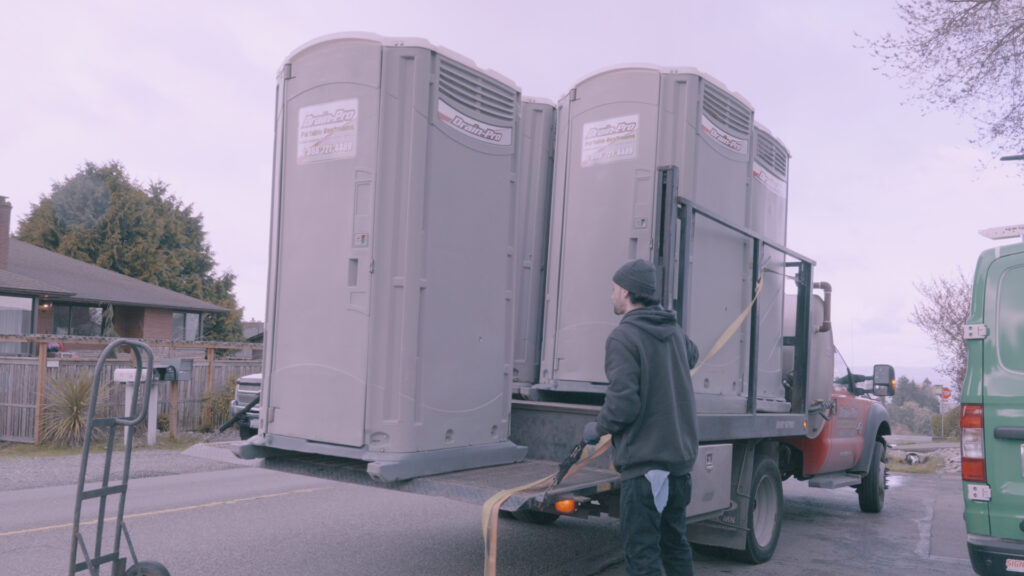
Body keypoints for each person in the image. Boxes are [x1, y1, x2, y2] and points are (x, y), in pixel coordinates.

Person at [583, 258, 699, 576]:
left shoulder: (623, 338)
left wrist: (597, 428)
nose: (611, 296)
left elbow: (623, 405)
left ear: (626, 291)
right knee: (675, 546)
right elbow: (693, 354)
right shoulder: (673, 330)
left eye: (613, 289)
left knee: (642, 555)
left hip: (646, 471)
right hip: (678, 469)